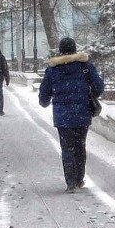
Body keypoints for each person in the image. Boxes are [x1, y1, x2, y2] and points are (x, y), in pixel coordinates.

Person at [38, 36, 104, 191]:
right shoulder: (85, 67)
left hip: (63, 117)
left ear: (60, 51)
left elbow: (44, 93)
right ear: (75, 49)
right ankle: (79, 179)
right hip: (82, 114)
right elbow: (98, 87)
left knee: (67, 148)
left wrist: (44, 101)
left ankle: (71, 182)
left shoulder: (53, 69)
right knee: (80, 146)